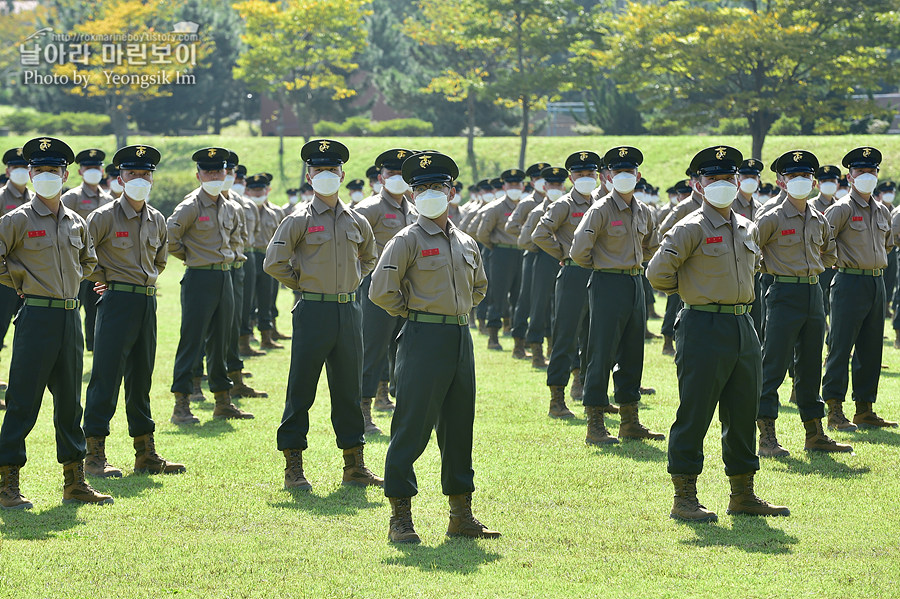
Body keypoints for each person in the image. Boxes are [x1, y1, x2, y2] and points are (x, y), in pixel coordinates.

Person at [648, 145, 789, 522]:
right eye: (713, 179)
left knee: (743, 411)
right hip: (702, 325)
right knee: (695, 412)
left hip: (743, 325)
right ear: (697, 184)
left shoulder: (746, 226)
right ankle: (685, 497)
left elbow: (754, 268)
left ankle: (742, 494)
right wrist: (694, 290)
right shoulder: (689, 227)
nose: (723, 185)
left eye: (729, 178)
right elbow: (657, 274)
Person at [370, 151, 499, 543]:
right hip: (422, 338)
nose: (429, 193)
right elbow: (381, 291)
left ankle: (461, 515)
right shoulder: (405, 239)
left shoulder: (465, 241)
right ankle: (400, 518)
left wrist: (455, 311)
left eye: (437, 187)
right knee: (411, 428)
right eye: (421, 187)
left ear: (452, 192)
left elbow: (479, 287)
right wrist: (417, 313)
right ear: (411, 194)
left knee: (459, 428)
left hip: (460, 337)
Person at [264, 139, 383, 491]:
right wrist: (302, 284)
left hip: (348, 309)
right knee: (301, 388)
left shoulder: (357, 220)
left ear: (343, 174)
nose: (327, 175)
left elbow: (369, 257)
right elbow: (274, 262)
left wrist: (352, 280)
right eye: (319, 170)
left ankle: (354, 465)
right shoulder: (297, 220)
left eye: (332, 170)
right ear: (309, 175)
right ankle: (293, 466)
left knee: (348, 388)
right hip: (312, 309)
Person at [0, 136, 112, 509]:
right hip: (35, 317)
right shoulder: (16, 219)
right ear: (30, 173)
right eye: (41, 169)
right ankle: (7, 483)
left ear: (66, 174)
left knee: (70, 403)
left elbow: (90, 261)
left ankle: (74, 482)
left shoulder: (76, 220)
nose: (48, 175)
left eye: (54, 170)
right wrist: (19, 279)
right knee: (22, 402)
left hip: (70, 317)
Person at [82, 144, 186, 478]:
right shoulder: (103, 216)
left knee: (141, 377)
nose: (139, 179)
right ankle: (94, 454)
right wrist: (105, 278)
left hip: (146, 300)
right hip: (116, 303)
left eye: (145, 174)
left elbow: (160, 260)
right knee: (106, 377)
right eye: (132, 174)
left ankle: (145, 453)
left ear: (151, 179)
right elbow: (82, 256)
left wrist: (142, 283)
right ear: (120, 178)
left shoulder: (156, 218)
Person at [755, 150, 851, 457]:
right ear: (781, 182)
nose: (801, 181)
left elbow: (830, 251)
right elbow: (749, 252)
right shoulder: (770, 218)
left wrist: (814, 269)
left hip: (813, 295)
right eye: (793, 176)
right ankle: (766, 435)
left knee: (810, 366)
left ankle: (814, 433)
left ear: (813, 180)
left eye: (806, 176)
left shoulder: (819, 218)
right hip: (782, 294)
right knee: (774, 366)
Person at [571, 146, 663, 446]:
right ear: (608, 176)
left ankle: (629, 421)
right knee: (601, 353)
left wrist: (633, 262)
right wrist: (604, 264)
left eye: (630, 171)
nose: (625, 176)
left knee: (633, 352)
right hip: (607, 284)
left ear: (637, 175)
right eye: (618, 171)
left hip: (636, 282)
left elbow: (652, 243)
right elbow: (578, 251)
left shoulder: (644, 210)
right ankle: (595, 424)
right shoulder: (600, 210)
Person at [167, 147, 252, 424]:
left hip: (224, 276)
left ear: (226, 172)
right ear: (199, 175)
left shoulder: (232, 207)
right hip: (199, 277)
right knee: (192, 340)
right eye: (209, 171)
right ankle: (182, 403)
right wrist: (191, 257)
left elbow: (237, 240)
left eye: (219, 170)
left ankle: (222, 400)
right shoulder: (190, 205)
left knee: (222, 339)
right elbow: (169, 238)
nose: (214, 175)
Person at [821, 147, 898, 431]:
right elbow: (821, 240)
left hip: (875, 281)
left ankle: (865, 408)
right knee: (840, 346)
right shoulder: (841, 208)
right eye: (860, 171)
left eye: (871, 171)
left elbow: (887, 244)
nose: (866, 176)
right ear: (849, 177)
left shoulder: (882, 210)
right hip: (848, 281)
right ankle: (834, 409)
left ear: (877, 174)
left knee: (871, 348)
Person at [532, 151, 601, 418]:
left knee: (592, 336)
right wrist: (564, 253)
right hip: (573, 274)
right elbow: (540, 234)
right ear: (571, 177)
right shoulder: (563, 205)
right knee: (565, 336)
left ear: (597, 176)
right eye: (580, 174)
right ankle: (556, 399)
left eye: (590, 174)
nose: (586, 178)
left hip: (598, 275)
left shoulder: (602, 203)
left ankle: (582, 384)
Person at [354, 149, 417, 433]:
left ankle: (394, 399)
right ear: (381, 177)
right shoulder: (370, 208)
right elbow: (348, 244)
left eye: (402, 174)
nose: (397, 179)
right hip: (377, 288)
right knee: (373, 348)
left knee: (405, 347)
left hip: (409, 288)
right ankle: (363, 410)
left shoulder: (414, 209)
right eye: (391, 174)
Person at [62, 148, 112, 352]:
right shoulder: (71, 197)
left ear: (102, 170)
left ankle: (93, 347)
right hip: (75, 265)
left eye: (96, 167)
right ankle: (68, 347)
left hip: (99, 266)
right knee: (73, 306)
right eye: (88, 167)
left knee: (96, 310)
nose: (93, 170)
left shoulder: (109, 200)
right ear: (80, 171)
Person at [521, 166, 567, 368]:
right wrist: (545, 248)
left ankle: (553, 347)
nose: (556, 187)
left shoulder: (570, 207)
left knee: (561, 307)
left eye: (559, 184)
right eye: (552, 184)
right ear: (545, 186)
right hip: (544, 260)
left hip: (566, 262)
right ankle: (536, 349)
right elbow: (524, 240)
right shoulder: (538, 211)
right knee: (539, 305)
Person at [476, 169, 526, 351]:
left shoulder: (525, 207)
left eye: (517, 184)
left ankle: (519, 342)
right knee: (498, 296)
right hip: (501, 254)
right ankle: (493, 337)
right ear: (504, 186)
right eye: (510, 184)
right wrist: (496, 248)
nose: (514, 187)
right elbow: (482, 234)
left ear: (522, 186)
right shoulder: (495, 208)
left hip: (521, 253)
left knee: (519, 297)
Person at [505, 163, 549, 359]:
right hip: (532, 254)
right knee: (526, 299)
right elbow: (511, 226)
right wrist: (530, 237)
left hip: (551, 257)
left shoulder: (559, 201)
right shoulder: (527, 203)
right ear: (532, 181)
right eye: (537, 177)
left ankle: (546, 343)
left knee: (547, 301)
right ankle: (519, 343)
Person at [0, 148, 33, 396]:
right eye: (16, 166)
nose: (21, 171)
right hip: (3, 279)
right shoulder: (1, 197)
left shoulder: (37, 198)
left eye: (25, 166)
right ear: (8, 171)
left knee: (25, 335)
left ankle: (20, 384)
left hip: (30, 279)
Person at [809, 165, 841, 321]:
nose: (829, 183)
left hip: (838, 262)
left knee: (837, 300)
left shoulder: (843, 206)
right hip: (819, 260)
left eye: (832, 180)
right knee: (819, 298)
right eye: (824, 180)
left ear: (838, 184)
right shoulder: (810, 206)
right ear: (818, 183)